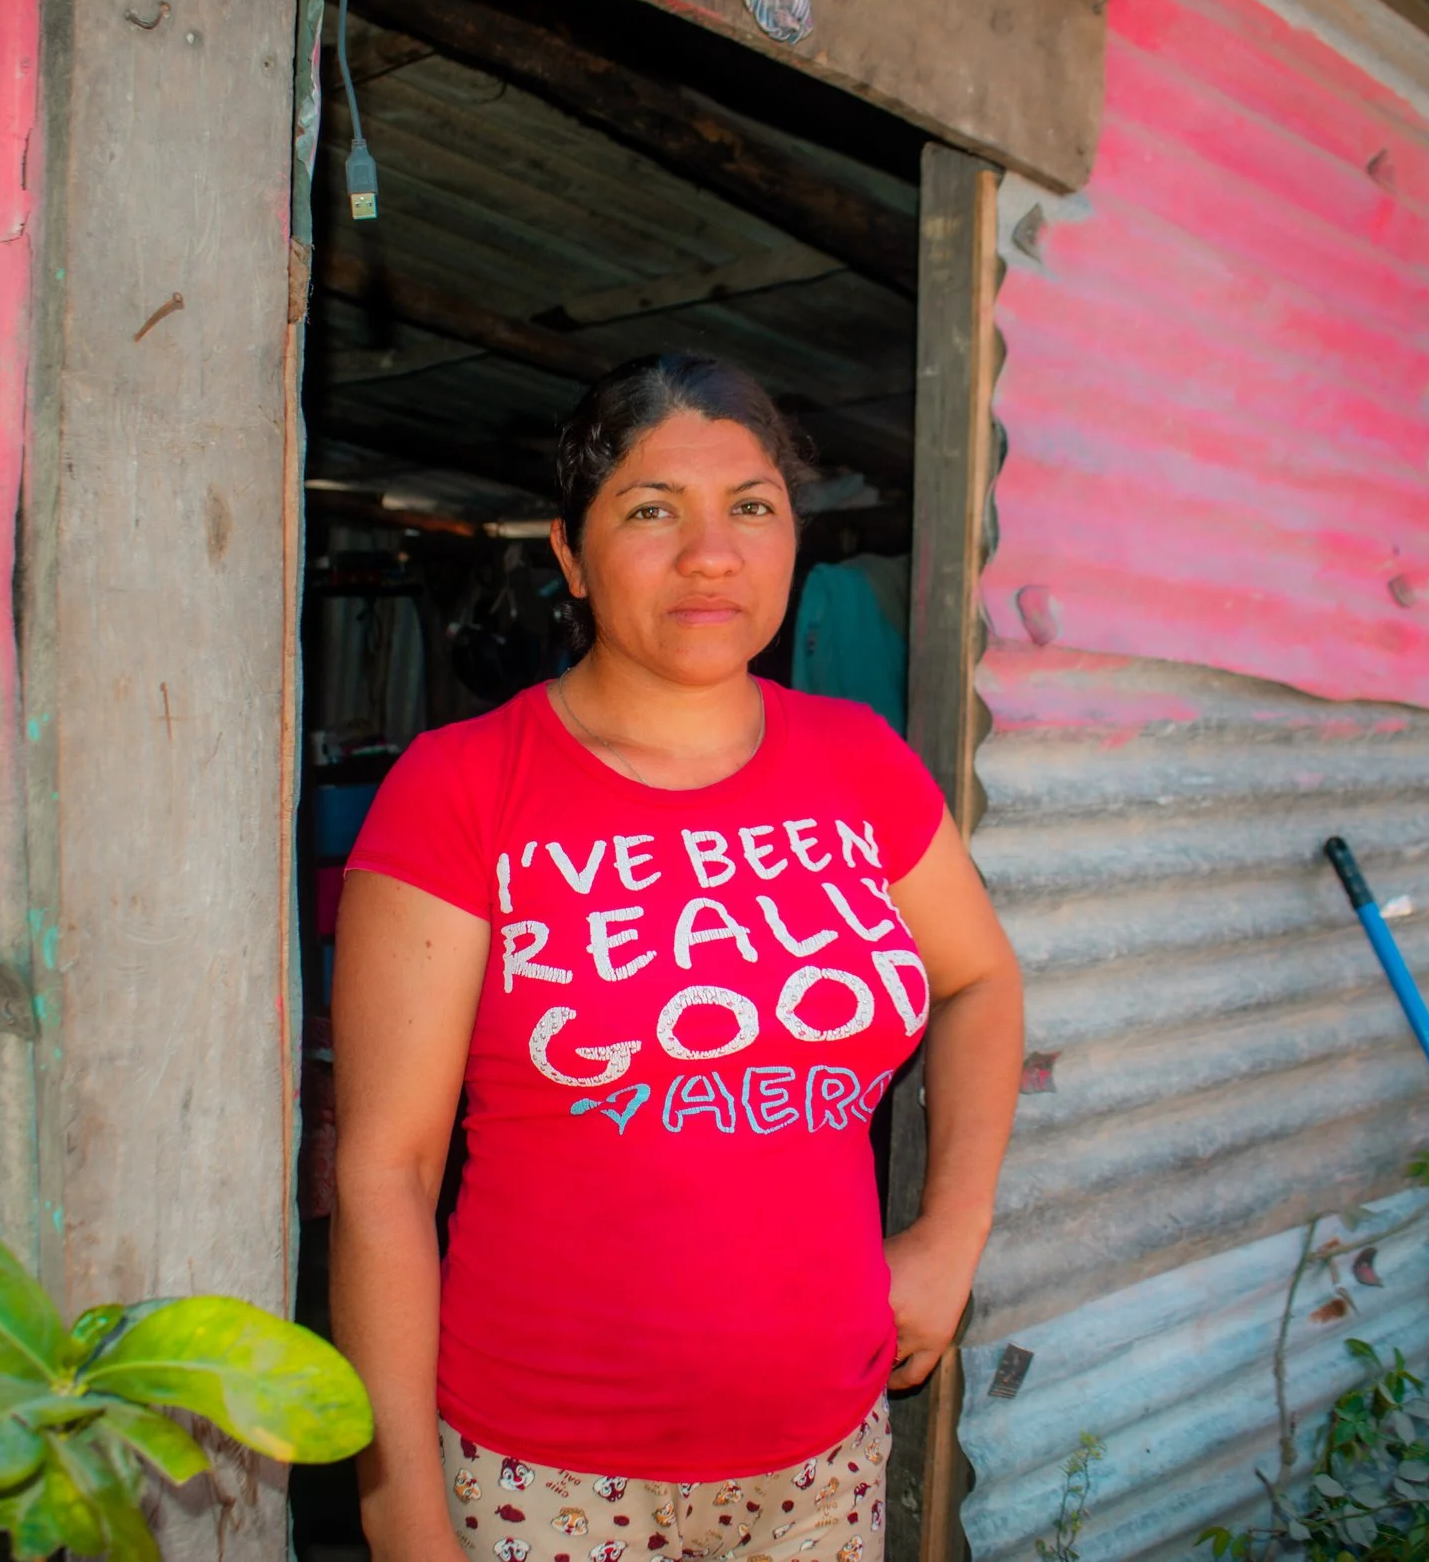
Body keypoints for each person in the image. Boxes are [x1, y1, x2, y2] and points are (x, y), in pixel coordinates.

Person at [331, 353, 1025, 1562]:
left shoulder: (857, 758)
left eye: (750, 505)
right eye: (652, 509)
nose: (711, 554)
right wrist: (402, 1516)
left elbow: (981, 980)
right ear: (569, 553)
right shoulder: (463, 787)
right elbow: (386, 1174)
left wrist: (949, 1232)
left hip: (825, 1461)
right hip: (547, 1474)